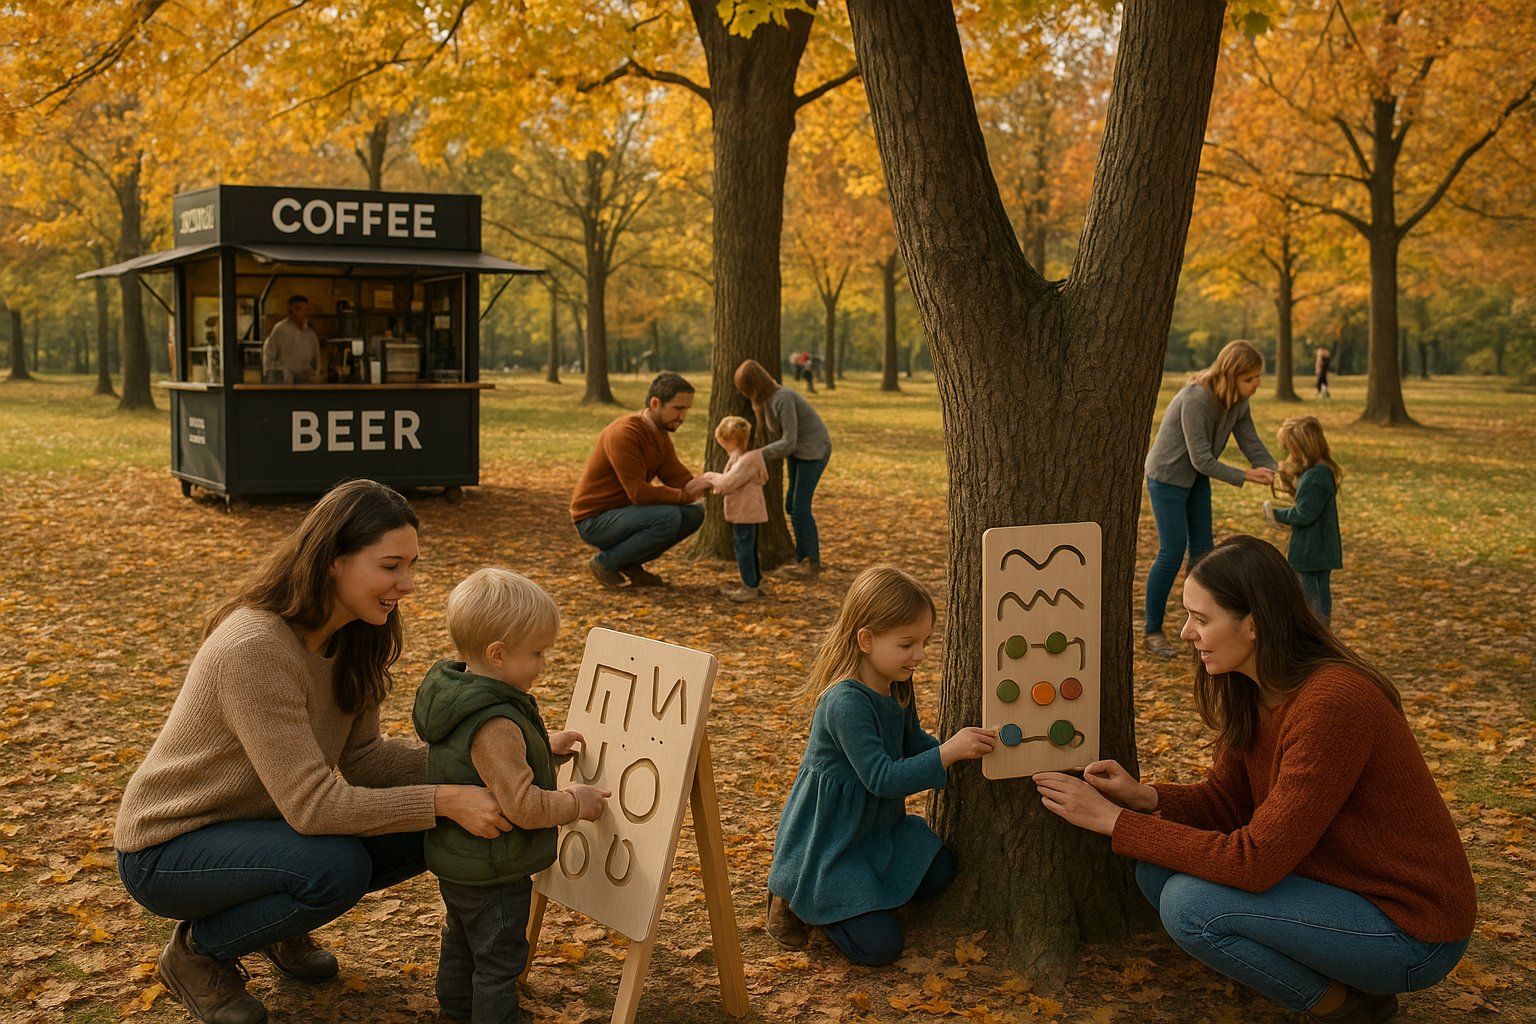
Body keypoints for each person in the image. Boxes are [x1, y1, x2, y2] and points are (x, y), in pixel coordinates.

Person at [114, 480, 512, 1024]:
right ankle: (197, 954)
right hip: (168, 849)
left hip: (261, 828)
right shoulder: (254, 648)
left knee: (428, 830)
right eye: (391, 566)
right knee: (335, 866)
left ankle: (276, 928)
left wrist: (495, 758)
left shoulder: (355, 635)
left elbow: (367, 761)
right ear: (332, 560)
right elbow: (314, 807)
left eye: (412, 565)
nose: (408, 584)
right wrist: (446, 796)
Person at [1034, 536, 1474, 1024]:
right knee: (1156, 872)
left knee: (1189, 906)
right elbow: (1227, 801)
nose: (1185, 633)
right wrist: (1144, 796)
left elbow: (1255, 862)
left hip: (1409, 931)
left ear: (1254, 624)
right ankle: (1335, 977)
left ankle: (1348, 1008)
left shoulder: (1333, 704)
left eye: (1201, 619)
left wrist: (1115, 821)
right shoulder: (1256, 691)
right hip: (1339, 890)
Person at [765, 566, 998, 965]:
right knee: (881, 948)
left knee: (942, 869)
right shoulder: (845, 702)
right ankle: (797, 896)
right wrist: (948, 753)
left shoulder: (897, 685)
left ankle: (862, 898)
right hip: (833, 840)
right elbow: (882, 778)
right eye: (908, 643)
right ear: (866, 640)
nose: (920, 655)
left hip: (877, 830)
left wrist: (961, 747)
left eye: (924, 642)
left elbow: (914, 744)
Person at [412, 569, 609, 1024]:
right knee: (499, 960)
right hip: (494, 870)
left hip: (462, 862)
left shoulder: (464, 697)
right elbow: (522, 805)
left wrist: (545, 748)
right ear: (498, 655)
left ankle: (456, 1012)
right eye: (537, 653)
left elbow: (491, 772)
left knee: (461, 940)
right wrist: (576, 804)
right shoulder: (496, 723)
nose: (543, 664)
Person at [1142, 339, 1277, 658]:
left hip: (1196, 477)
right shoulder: (1196, 398)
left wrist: (1273, 469)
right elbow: (1201, 457)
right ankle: (1153, 631)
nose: (1256, 385)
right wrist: (1245, 475)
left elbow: (1251, 441)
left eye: (1258, 377)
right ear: (1231, 375)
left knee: (1204, 553)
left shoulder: (1238, 402)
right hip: (1168, 478)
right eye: (1250, 379)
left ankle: (1199, 624)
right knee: (1172, 551)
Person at [570, 372, 712, 590]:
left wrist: (713, 483)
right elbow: (638, 492)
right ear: (655, 403)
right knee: (669, 517)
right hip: (594, 519)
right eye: (678, 408)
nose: (683, 416)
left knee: (694, 513)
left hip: (626, 513)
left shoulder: (660, 435)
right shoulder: (625, 433)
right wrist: (683, 495)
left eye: (687, 409)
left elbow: (676, 475)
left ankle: (631, 565)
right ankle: (604, 564)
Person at [733, 358, 832, 580]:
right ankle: (801, 559)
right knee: (791, 506)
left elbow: (789, 441)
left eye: (746, 390)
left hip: (813, 451)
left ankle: (812, 563)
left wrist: (759, 455)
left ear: (754, 385)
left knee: (800, 508)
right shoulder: (765, 401)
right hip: (799, 453)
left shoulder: (782, 398)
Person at [1264, 415, 1343, 624]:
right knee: (1315, 598)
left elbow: (1304, 514)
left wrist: (1275, 513)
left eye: (1290, 448)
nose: (1289, 453)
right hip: (1318, 550)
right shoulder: (1318, 472)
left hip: (1311, 551)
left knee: (1313, 603)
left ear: (1302, 447)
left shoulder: (1316, 476)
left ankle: (1318, 640)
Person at [700, 415, 769, 602]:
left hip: (745, 512)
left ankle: (750, 586)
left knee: (744, 548)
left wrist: (710, 477)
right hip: (746, 510)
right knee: (748, 546)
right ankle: (754, 581)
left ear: (733, 440)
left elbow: (727, 484)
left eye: (724, 442)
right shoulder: (741, 457)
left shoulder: (747, 461)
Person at [261, 294, 320, 384]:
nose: (306, 314)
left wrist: (315, 374)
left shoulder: (310, 334)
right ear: (293, 310)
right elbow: (269, 357)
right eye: (303, 310)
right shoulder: (280, 329)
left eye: (307, 310)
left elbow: (316, 360)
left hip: (306, 384)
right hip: (285, 383)